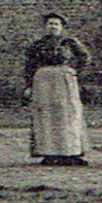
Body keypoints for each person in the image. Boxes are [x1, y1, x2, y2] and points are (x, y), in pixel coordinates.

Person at [22, 12, 92, 166]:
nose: (53, 27)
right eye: (50, 24)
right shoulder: (37, 45)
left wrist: (74, 71)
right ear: (45, 27)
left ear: (62, 27)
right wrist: (28, 86)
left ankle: (71, 152)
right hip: (43, 81)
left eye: (56, 24)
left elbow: (84, 57)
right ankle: (50, 153)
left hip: (64, 80)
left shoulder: (69, 43)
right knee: (46, 116)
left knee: (68, 115)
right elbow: (29, 66)